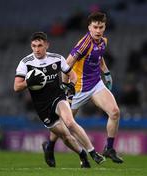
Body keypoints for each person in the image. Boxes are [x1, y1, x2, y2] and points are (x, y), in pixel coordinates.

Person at [14, 31, 105, 168]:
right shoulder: (25, 63)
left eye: (40, 45)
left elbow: (73, 76)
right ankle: (81, 154)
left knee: (70, 122)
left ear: (47, 45)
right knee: (65, 136)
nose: (37, 49)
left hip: (58, 97)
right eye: (34, 46)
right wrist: (29, 82)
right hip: (42, 106)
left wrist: (71, 87)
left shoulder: (57, 59)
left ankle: (93, 153)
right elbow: (16, 87)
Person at [48, 12, 123, 165]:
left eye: (101, 27)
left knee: (115, 112)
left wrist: (107, 73)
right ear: (89, 27)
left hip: (96, 84)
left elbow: (99, 58)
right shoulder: (84, 44)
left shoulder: (103, 41)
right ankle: (49, 146)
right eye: (95, 27)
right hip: (78, 89)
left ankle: (109, 149)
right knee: (63, 124)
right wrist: (66, 85)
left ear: (104, 27)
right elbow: (66, 64)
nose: (98, 30)